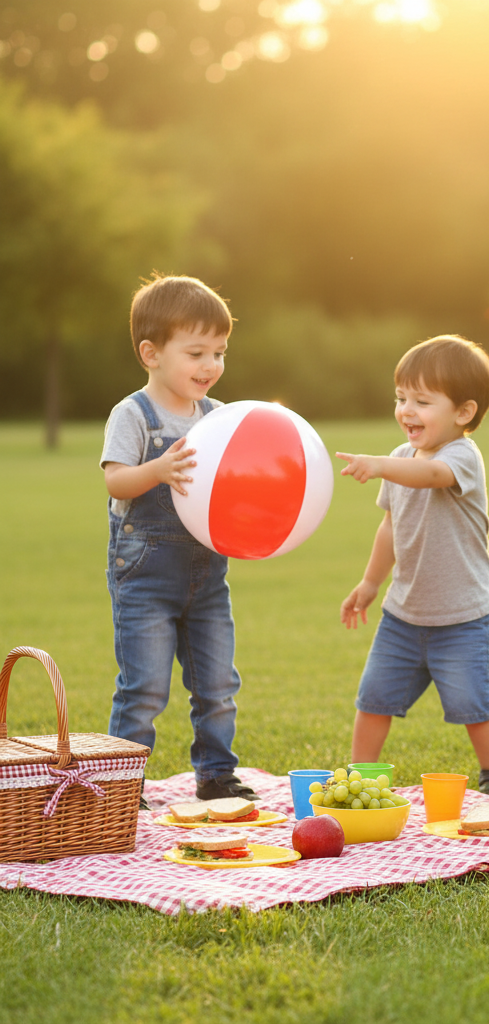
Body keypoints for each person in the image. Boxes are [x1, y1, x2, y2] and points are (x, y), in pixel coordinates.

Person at [100, 274, 257, 807]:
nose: (210, 365)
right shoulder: (134, 414)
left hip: (207, 575)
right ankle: (124, 784)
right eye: (196, 352)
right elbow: (116, 479)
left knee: (217, 684)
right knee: (143, 688)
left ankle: (216, 774)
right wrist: (158, 468)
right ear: (151, 353)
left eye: (219, 352)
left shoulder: (218, 417)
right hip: (144, 571)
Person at [336, 335, 489, 798]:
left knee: (472, 703)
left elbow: (432, 476)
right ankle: (361, 776)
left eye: (421, 400)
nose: (406, 410)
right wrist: (370, 582)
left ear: (463, 412)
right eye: (401, 398)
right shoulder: (399, 461)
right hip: (403, 614)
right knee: (373, 699)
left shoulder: (461, 457)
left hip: (461, 618)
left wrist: (378, 465)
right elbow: (391, 528)